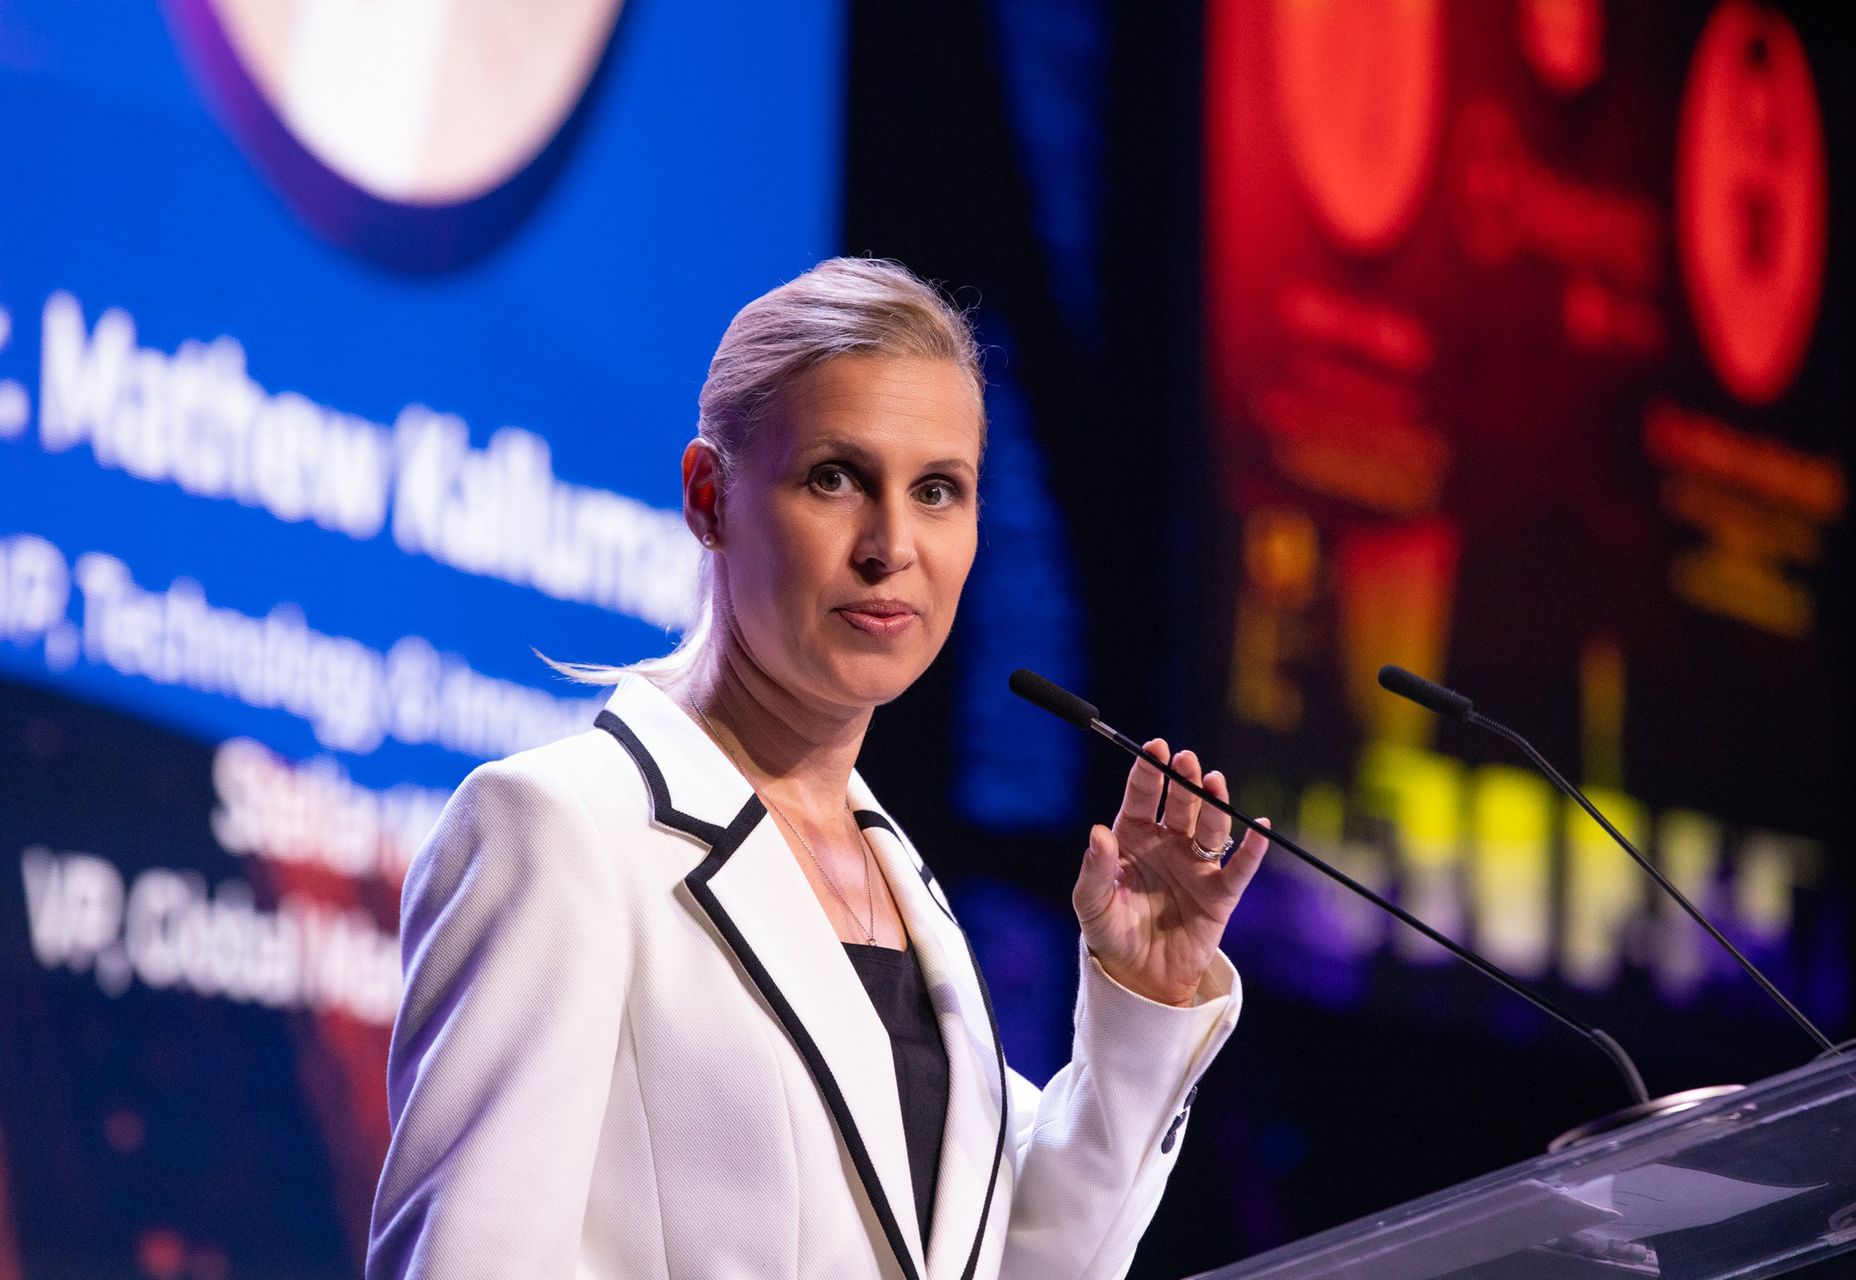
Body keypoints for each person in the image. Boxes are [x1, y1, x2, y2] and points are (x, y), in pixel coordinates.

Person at [366, 258, 1271, 1279]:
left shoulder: (906, 892)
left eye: (938, 490)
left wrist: (1141, 1008)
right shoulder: (559, 829)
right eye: (835, 477)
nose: (892, 544)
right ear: (710, 499)